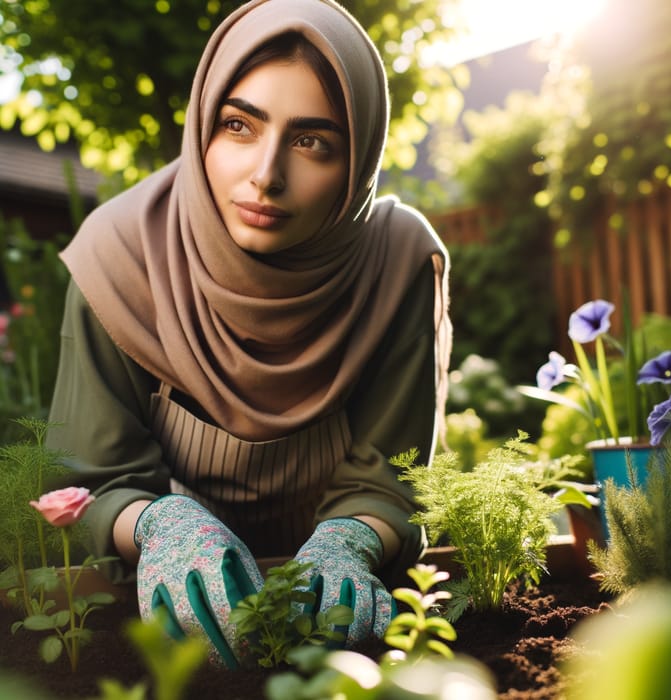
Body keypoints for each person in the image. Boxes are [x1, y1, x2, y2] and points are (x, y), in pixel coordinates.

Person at [46, 0, 451, 668]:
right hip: (162, 629)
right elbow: (88, 479)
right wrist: (159, 525)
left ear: (358, 161)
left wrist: (352, 538)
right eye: (239, 125)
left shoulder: (398, 264)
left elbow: (395, 474)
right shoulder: (116, 259)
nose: (266, 175)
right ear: (203, 124)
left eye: (311, 141)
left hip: (341, 634)